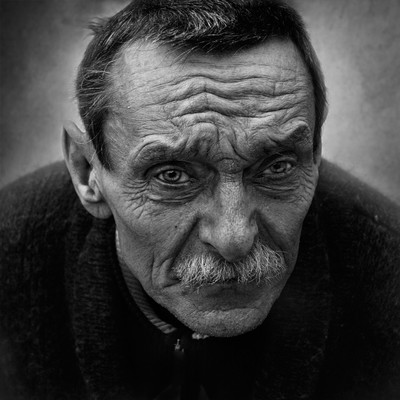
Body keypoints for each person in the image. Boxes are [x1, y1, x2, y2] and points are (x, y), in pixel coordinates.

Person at [0, 0, 399, 399]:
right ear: (87, 172)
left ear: (315, 155)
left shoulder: (389, 278)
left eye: (276, 167)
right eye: (172, 175)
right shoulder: (9, 257)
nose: (233, 238)